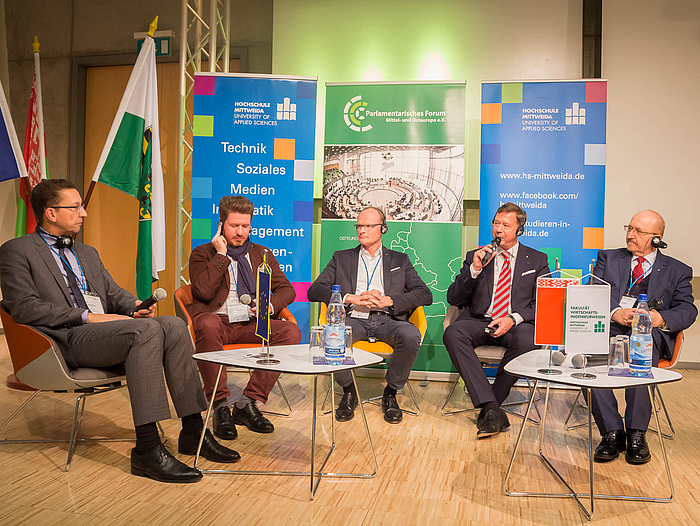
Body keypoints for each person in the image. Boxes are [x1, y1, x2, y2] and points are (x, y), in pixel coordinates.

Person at [0, 179, 239, 484]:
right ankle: (148, 449)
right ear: (51, 213)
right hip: (63, 342)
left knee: (174, 325)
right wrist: (88, 317)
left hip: (104, 336)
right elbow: (24, 308)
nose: (83, 213)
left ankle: (193, 430)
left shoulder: (86, 252)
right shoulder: (16, 251)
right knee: (145, 332)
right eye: (75, 207)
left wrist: (135, 305)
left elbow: (113, 293)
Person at [188, 195, 300, 439]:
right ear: (221, 225)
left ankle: (247, 403)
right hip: (217, 322)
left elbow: (287, 289)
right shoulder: (202, 254)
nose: (240, 232)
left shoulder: (262, 253)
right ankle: (219, 406)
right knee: (206, 322)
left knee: (291, 331)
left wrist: (268, 305)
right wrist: (221, 255)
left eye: (245, 226)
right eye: (234, 226)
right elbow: (202, 292)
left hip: (249, 323)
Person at [308, 207, 432, 424]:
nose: (361, 230)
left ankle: (391, 393)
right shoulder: (342, 257)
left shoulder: (399, 260)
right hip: (353, 319)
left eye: (368, 226)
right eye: (359, 226)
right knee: (332, 335)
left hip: (388, 320)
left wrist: (390, 301)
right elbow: (314, 290)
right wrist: (349, 297)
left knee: (411, 335)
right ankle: (348, 391)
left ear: (382, 229)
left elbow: (425, 294)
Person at [590, 210, 696, 464]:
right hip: (611, 330)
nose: (630, 234)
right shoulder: (609, 258)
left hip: (650, 334)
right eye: (629, 228)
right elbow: (594, 294)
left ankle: (637, 432)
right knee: (588, 357)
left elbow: (688, 309)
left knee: (642, 353)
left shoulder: (677, 270)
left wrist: (660, 319)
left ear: (657, 238)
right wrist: (615, 312)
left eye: (638, 231)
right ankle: (611, 432)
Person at [443, 202, 549, 439]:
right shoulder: (477, 256)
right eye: (496, 223)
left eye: (505, 225)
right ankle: (492, 409)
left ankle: (490, 404)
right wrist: (474, 270)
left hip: (516, 323)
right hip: (480, 320)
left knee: (528, 340)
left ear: (519, 229)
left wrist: (513, 318)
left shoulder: (537, 259)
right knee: (453, 333)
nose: (498, 230)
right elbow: (454, 298)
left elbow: (544, 302)